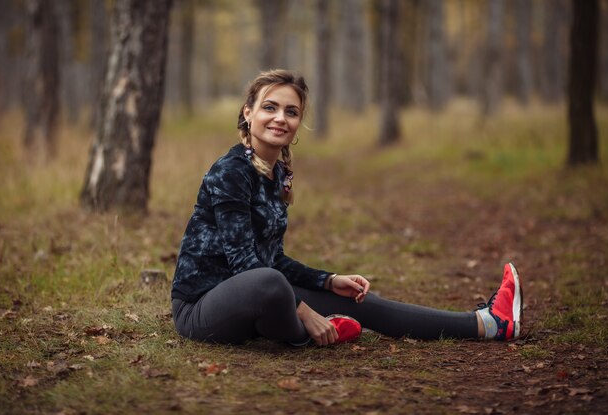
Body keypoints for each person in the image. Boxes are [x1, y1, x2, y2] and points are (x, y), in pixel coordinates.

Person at [171, 69, 523, 346]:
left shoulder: (276, 174)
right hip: (202, 308)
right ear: (248, 114)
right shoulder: (231, 172)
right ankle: (305, 333)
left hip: (257, 294)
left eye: (291, 112)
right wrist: (305, 310)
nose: (280, 118)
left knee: (351, 299)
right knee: (270, 283)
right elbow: (244, 265)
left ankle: (487, 323)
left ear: (297, 126)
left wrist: (328, 280)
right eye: (270, 107)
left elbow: (273, 258)